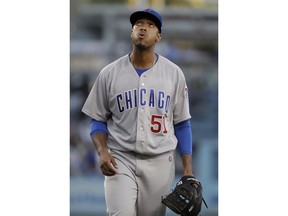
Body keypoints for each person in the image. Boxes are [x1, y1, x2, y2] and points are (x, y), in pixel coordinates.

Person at [82, 8, 194, 216]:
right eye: (139, 23)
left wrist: (187, 170)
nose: (143, 27)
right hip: (120, 158)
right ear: (131, 32)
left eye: (151, 25)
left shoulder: (173, 73)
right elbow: (97, 119)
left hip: (160, 162)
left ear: (158, 36)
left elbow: (182, 123)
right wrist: (102, 151)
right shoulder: (110, 73)